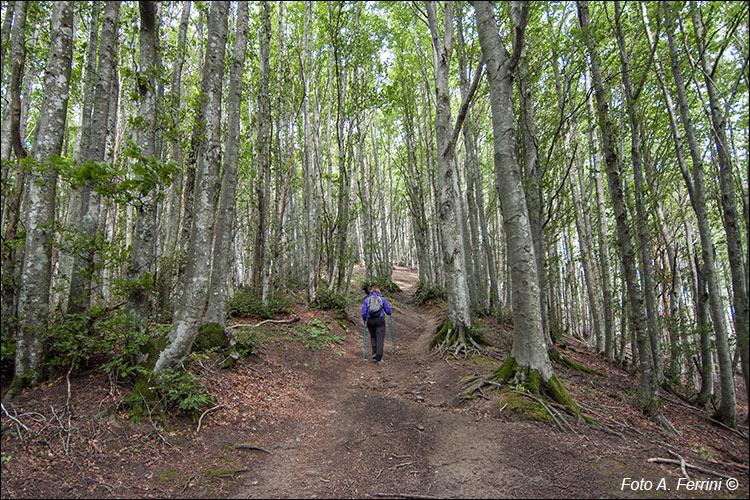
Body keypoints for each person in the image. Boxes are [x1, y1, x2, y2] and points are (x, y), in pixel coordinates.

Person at [361, 286, 392, 365]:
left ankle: (374, 353)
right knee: (380, 338)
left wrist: (364, 319)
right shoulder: (382, 299)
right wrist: (389, 313)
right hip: (380, 320)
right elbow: (388, 311)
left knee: (373, 336)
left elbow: (364, 312)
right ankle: (379, 358)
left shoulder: (367, 299)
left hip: (370, 321)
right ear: (379, 292)